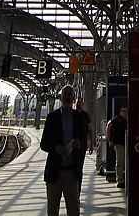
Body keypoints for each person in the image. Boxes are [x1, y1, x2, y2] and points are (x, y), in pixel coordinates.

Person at [41, 84, 90, 216]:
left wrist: (80, 143)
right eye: (65, 94)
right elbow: (44, 143)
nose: (68, 97)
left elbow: (84, 140)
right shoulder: (52, 117)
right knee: (52, 209)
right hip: (54, 172)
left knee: (74, 208)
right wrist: (57, 148)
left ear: (73, 98)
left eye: (70, 94)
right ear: (60, 97)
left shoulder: (79, 118)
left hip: (72, 172)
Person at [105, 105, 128, 188]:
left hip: (125, 143)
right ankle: (120, 180)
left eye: (126, 111)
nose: (125, 112)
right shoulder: (117, 119)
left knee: (122, 162)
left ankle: (123, 179)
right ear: (120, 112)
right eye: (123, 111)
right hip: (119, 143)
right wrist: (109, 139)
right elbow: (109, 124)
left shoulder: (126, 120)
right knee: (120, 161)